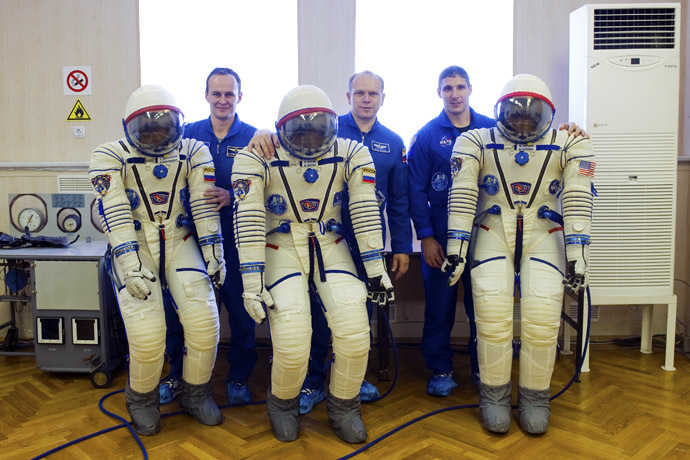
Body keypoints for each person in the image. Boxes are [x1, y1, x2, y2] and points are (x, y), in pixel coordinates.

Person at [232, 85, 393, 443]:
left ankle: (344, 405)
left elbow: (365, 211)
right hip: (280, 243)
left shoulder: (352, 153)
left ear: (332, 126)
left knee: (354, 332)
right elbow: (250, 219)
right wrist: (251, 283)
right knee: (292, 336)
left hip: (328, 241)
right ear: (280, 129)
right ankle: (283, 404)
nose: (309, 140)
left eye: (318, 129)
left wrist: (376, 271)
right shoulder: (256, 156)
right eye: (299, 131)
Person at [444, 74, 594, 434]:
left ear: (549, 113)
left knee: (542, 317)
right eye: (515, 113)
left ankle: (535, 396)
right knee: (492, 315)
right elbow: (462, 196)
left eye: (533, 114)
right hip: (492, 230)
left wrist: (578, 254)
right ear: (500, 111)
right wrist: (456, 249)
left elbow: (577, 198)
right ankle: (493, 396)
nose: (523, 122)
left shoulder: (571, 142)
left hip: (544, 233)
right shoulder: (475, 141)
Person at [89, 85, 225, 435]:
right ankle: (142, 399)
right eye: (146, 129)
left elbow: (204, 203)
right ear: (127, 127)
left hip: (180, 241)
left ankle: (195, 393)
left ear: (177, 124)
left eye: (164, 127)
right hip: (134, 246)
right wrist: (129, 265)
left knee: (205, 323)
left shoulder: (194, 151)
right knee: (148, 334)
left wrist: (214, 253)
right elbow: (115, 212)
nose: (156, 136)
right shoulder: (109, 155)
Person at [298, 70, 412, 414]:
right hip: (325, 237)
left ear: (382, 99)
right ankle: (315, 379)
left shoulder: (392, 142)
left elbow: (400, 200)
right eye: (359, 93)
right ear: (347, 97)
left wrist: (403, 247)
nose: (366, 99)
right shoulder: (325, 133)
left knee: (360, 309)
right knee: (320, 308)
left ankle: (355, 376)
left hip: (368, 243)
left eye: (372, 94)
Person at [159, 68, 267, 406]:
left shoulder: (254, 138)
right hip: (189, 244)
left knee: (241, 313)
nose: (223, 100)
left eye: (229, 94)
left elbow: (273, 189)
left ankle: (237, 378)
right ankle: (177, 376)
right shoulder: (187, 135)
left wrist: (232, 197)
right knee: (183, 310)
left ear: (239, 96)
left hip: (237, 243)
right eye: (216, 94)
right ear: (206, 95)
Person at [407, 66, 494, 396]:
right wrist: (426, 237)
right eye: (447, 88)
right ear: (439, 92)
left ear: (471, 88)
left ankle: (483, 366)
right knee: (439, 308)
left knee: (485, 306)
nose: (454, 93)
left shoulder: (491, 129)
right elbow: (415, 190)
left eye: (460, 87)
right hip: (442, 238)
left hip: (487, 234)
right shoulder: (428, 136)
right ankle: (440, 370)